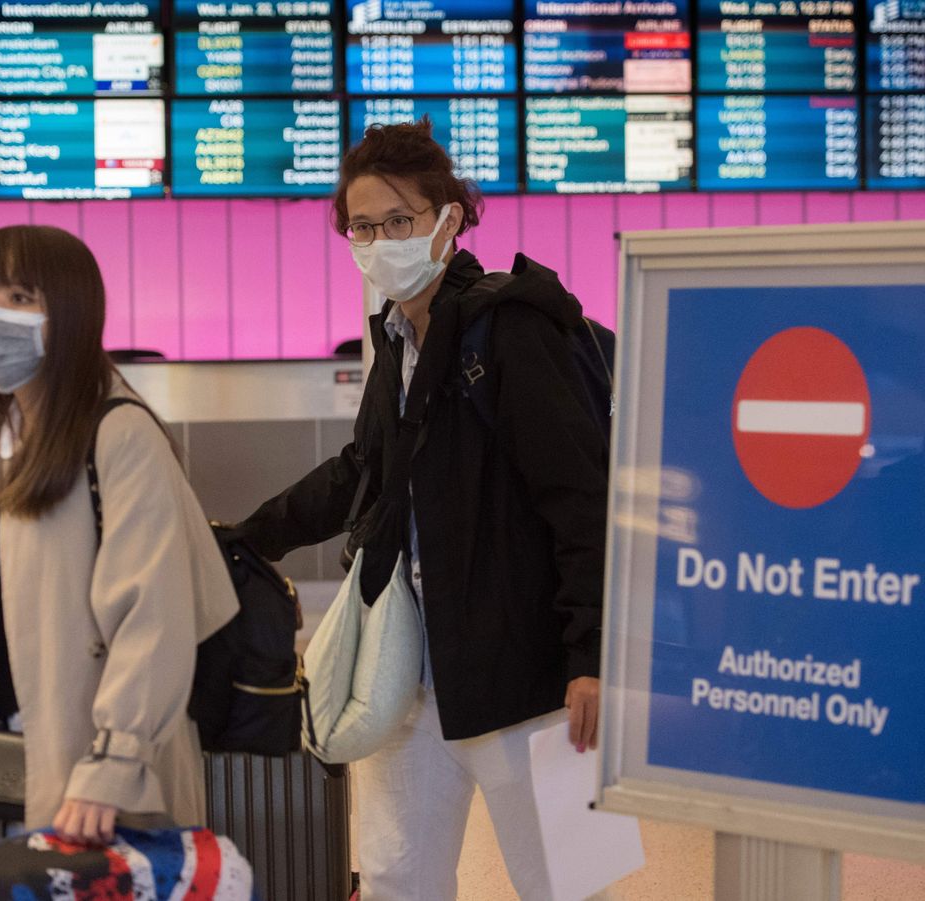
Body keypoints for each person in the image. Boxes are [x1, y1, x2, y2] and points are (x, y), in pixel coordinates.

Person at [229, 119, 609, 898]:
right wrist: (243, 538)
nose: (379, 240)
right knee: (401, 876)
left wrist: (592, 655)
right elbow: (362, 471)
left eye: (397, 221)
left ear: (449, 218)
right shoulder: (397, 337)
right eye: (362, 227)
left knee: (566, 884)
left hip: (525, 672)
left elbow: (578, 496)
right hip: (410, 669)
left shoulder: (512, 328)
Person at [0, 225, 238, 844]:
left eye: (17, 297)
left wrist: (114, 762)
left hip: (111, 762)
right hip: (29, 733)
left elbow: (155, 616)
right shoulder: (12, 427)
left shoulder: (119, 434)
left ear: (69, 310)